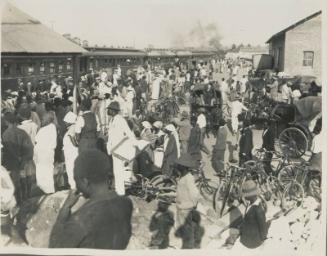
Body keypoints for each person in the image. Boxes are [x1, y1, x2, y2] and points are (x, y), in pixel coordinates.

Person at [49, 150, 133, 249]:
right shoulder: (126, 204)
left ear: (85, 181)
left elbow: (55, 249)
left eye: (76, 180)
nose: (76, 185)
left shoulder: (80, 220)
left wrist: (66, 207)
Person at [2, 112, 34, 204]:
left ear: (7, 122)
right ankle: (26, 196)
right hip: (24, 161)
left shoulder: (5, 134)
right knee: (25, 178)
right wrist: (24, 159)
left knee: (15, 182)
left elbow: (8, 151)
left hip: (12, 163)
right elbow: (29, 147)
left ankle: (19, 201)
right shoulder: (22, 132)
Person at [174, 154, 202, 249]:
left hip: (185, 208)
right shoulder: (182, 176)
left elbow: (195, 193)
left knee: (187, 231)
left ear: (184, 167)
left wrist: (193, 204)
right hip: (181, 207)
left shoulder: (188, 178)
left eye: (179, 165)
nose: (177, 166)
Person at [107, 101, 135, 196]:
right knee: (116, 171)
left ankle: (121, 192)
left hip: (119, 149)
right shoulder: (112, 120)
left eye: (109, 109)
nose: (108, 111)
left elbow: (129, 133)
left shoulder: (120, 120)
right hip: (113, 150)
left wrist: (133, 145)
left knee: (119, 171)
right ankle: (119, 191)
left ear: (113, 111)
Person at [235, 180, 267, 249]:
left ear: (251, 196)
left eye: (246, 196)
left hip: (252, 242)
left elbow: (262, 228)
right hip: (248, 238)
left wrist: (263, 240)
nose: (244, 197)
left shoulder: (258, 210)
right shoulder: (251, 204)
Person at [34, 112, 57, 194]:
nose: (41, 121)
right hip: (48, 153)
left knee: (42, 172)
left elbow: (36, 140)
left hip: (43, 154)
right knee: (48, 172)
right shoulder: (52, 127)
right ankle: (49, 189)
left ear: (48, 120)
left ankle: (45, 190)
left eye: (43, 119)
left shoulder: (44, 129)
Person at [63, 111, 78, 190]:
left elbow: (72, 138)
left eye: (66, 122)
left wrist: (76, 145)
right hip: (72, 152)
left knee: (71, 169)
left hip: (71, 153)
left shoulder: (71, 129)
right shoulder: (74, 127)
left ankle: (73, 187)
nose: (65, 123)